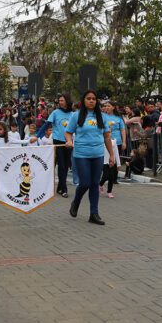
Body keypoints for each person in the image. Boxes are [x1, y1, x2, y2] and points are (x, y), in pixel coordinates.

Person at [65, 90, 116, 225]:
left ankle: (94, 214)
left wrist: (111, 155)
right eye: (88, 98)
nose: (92, 101)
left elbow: (107, 137)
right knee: (85, 183)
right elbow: (68, 132)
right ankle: (76, 202)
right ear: (83, 101)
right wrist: (69, 141)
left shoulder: (103, 117)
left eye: (94, 99)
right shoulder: (76, 116)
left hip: (98, 154)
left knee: (94, 184)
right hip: (81, 154)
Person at [45, 94, 74, 198]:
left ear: (67, 101)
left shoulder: (72, 114)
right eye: (59, 101)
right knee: (61, 165)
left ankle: (60, 188)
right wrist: (37, 136)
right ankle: (64, 189)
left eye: (62, 100)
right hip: (58, 141)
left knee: (66, 165)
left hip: (68, 142)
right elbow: (47, 124)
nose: (60, 102)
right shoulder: (55, 112)